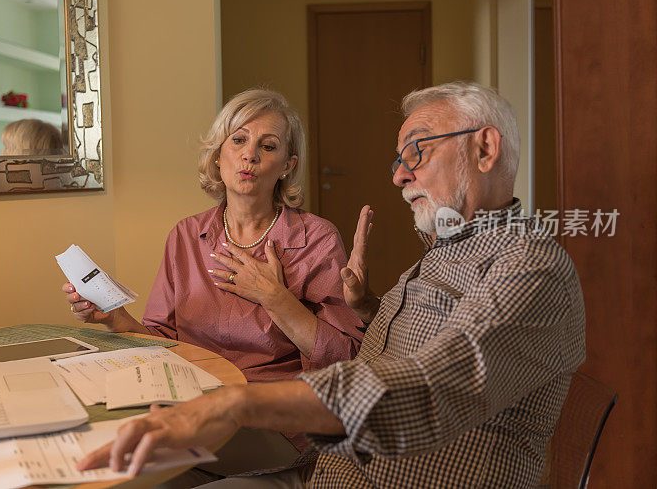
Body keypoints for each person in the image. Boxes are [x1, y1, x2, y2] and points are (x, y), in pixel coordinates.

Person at [75, 82, 586, 488]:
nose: (399, 177)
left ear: (484, 147)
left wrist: (235, 402)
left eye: (418, 152)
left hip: (343, 464)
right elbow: (431, 342)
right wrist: (370, 307)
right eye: (398, 160)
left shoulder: (529, 268)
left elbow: (428, 388)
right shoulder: (445, 256)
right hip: (334, 468)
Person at [63, 89, 363, 382]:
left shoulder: (317, 239)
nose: (250, 155)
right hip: (192, 393)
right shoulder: (185, 235)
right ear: (219, 155)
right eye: (238, 140)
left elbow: (346, 356)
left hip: (273, 407)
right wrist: (114, 318)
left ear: (288, 165)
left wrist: (275, 298)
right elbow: (162, 343)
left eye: (268, 146)